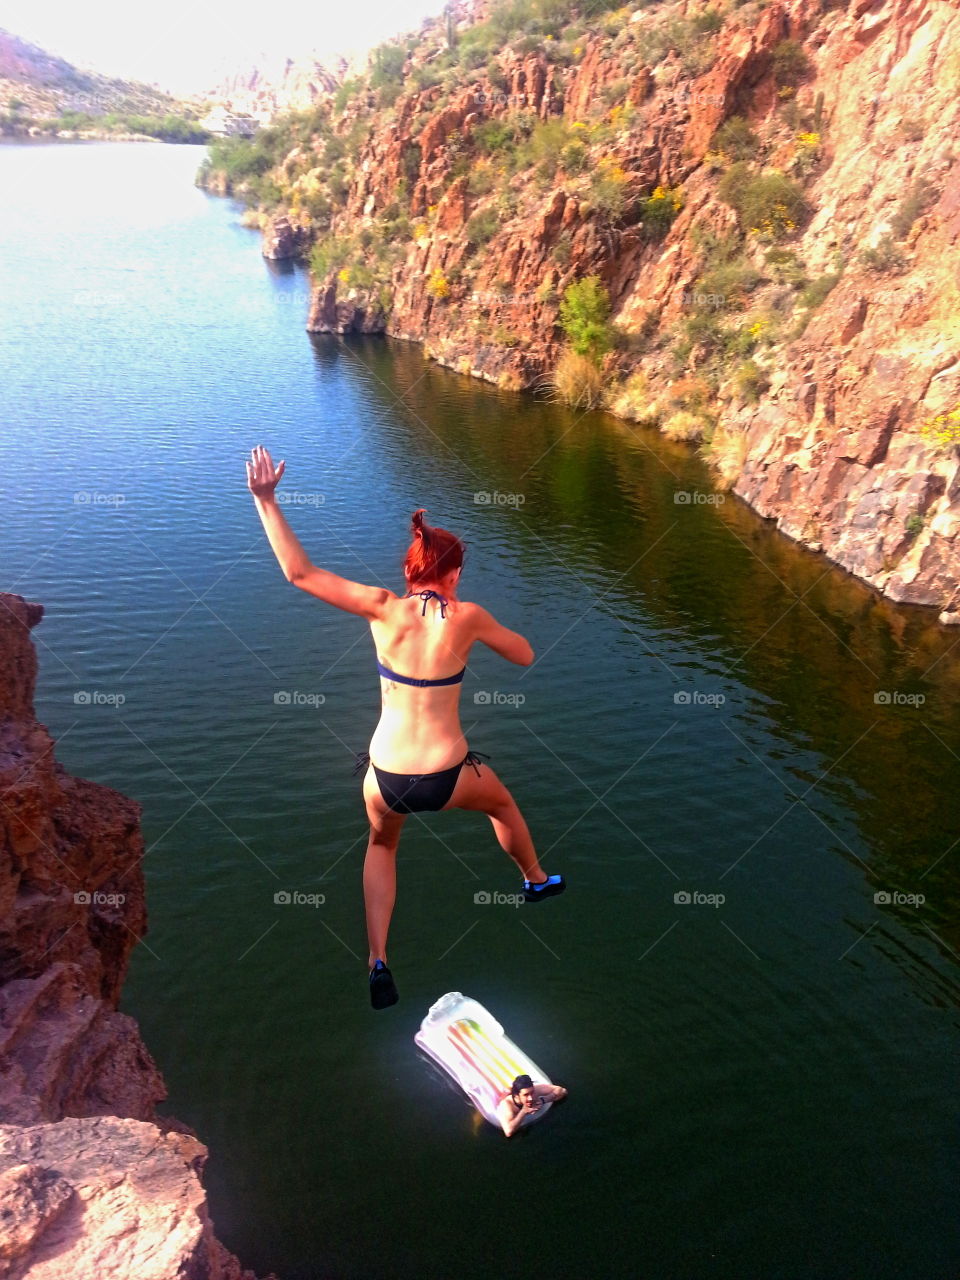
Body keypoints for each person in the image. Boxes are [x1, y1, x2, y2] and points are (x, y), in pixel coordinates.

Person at [246, 446, 565, 1010]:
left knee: (381, 845)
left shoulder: (380, 607)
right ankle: (536, 879)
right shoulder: (468, 618)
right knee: (503, 806)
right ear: (455, 573)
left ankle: (378, 960)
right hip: (449, 775)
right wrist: (470, 618)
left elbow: (299, 573)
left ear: (409, 572)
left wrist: (266, 500)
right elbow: (525, 655)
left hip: (386, 778)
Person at [497, 1074, 568, 1138]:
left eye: (532, 1092)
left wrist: (544, 1100)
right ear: (517, 1095)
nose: (530, 1098)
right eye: (526, 1095)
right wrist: (523, 1111)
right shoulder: (507, 1105)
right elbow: (508, 1132)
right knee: (505, 1093)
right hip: (506, 1099)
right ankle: (508, 1090)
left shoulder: (535, 1090)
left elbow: (563, 1091)